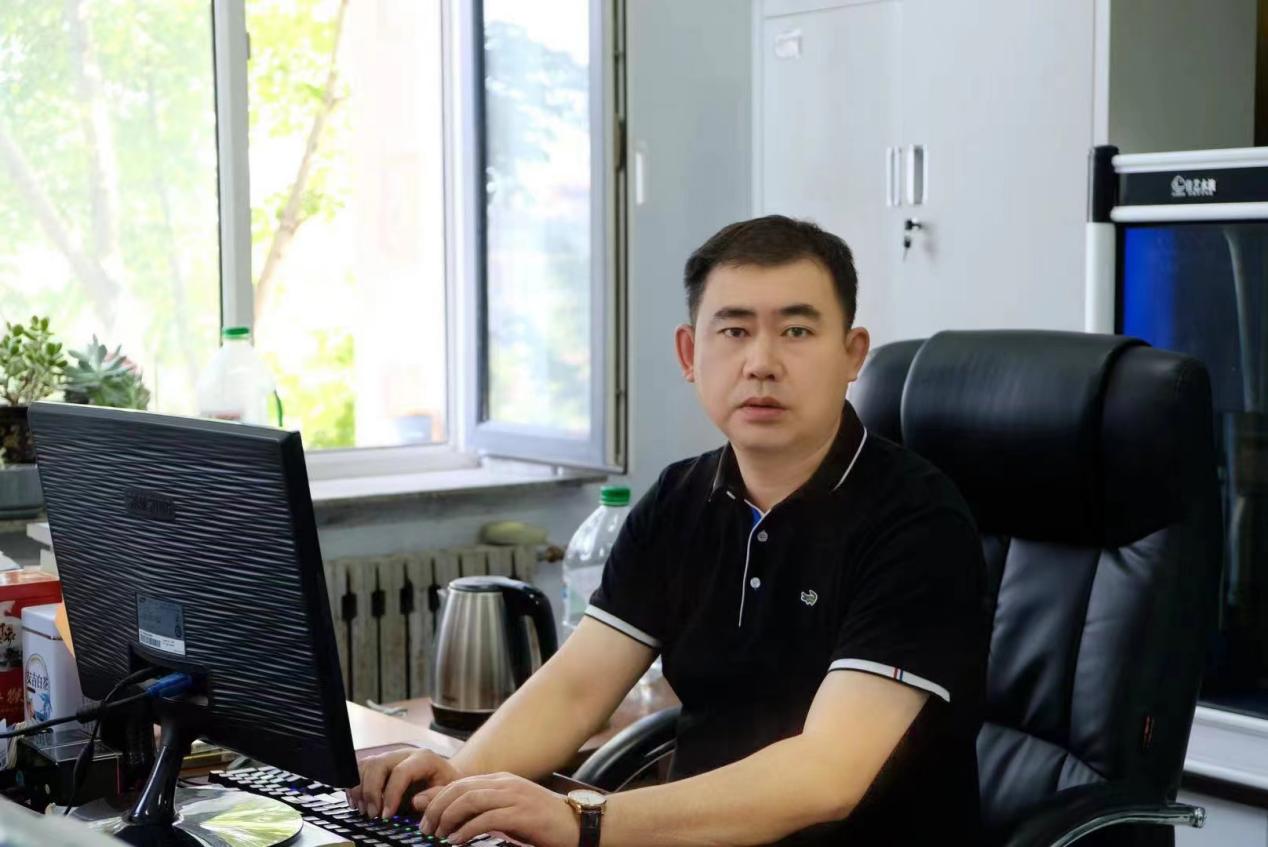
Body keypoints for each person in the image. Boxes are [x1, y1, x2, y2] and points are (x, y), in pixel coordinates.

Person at [349, 215, 988, 845]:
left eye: (796, 330)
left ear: (852, 355)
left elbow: (826, 775)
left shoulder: (918, 521)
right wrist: (459, 777)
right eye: (734, 330)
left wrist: (586, 820)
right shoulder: (681, 500)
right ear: (690, 354)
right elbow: (576, 690)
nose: (761, 362)